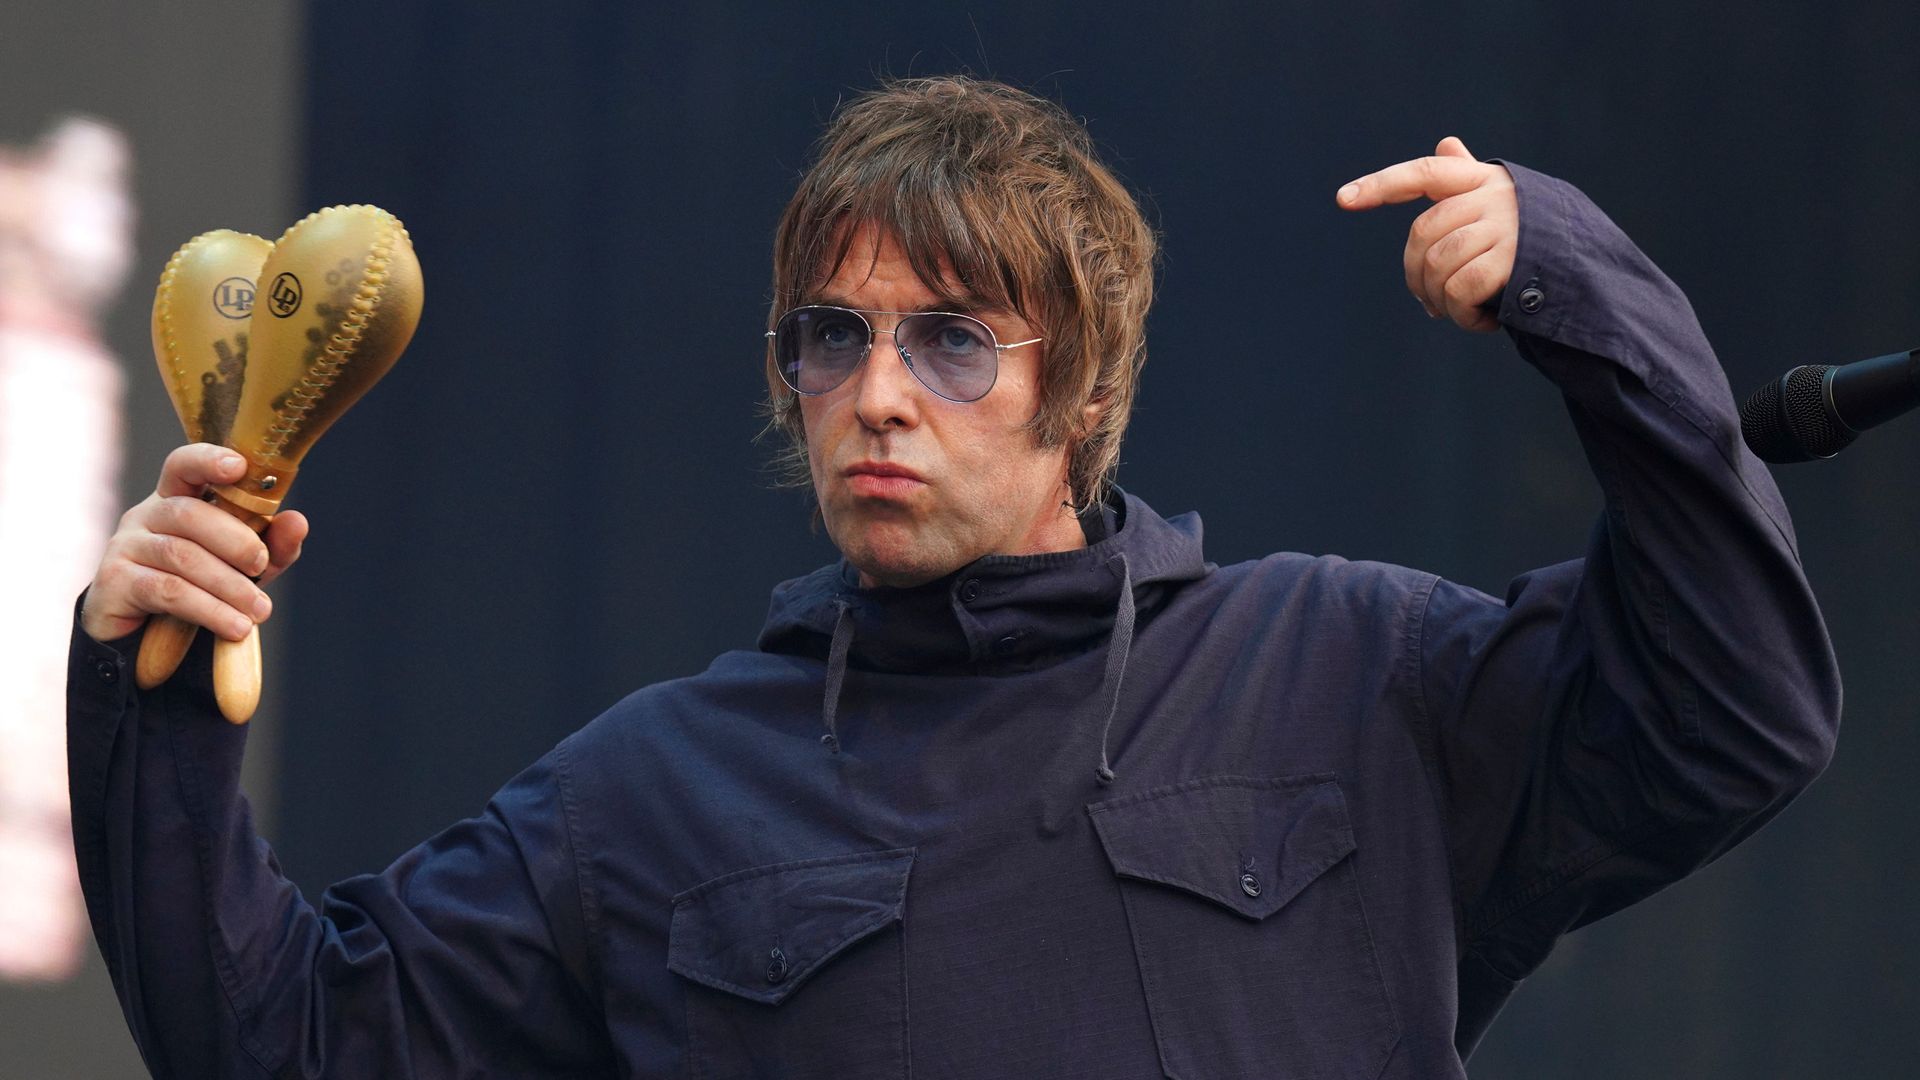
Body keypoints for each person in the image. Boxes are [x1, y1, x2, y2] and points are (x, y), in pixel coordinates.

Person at [68, 76, 1839, 1078]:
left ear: (1087, 389)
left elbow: (1737, 710)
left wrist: (1578, 286)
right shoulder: (658, 793)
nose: (879, 395)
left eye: (954, 340)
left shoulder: (1348, 668)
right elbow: (281, 1045)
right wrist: (156, 682)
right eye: (829, 339)